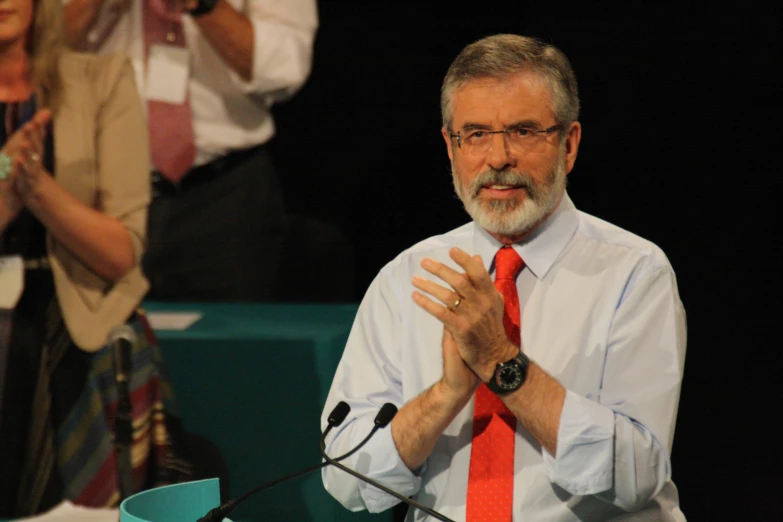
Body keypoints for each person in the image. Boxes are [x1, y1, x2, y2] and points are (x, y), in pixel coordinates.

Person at [321, 34, 687, 521]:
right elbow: (345, 477)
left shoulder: (632, 273)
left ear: (569, 144)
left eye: (523, 131)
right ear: (450, 147)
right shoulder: (406, 278)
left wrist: (500, 361)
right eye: (475, 134)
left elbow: (636, 475)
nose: (497, 158)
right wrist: (445, 396)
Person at [0, 0, 191, 516]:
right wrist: (6, 185)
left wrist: (38, 189)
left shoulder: (101, 79)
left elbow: (121, 252)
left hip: (78, 320)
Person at [62, 0, 318, 301]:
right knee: (99, 341)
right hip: (97, 197)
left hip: (222, 200)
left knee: (231, 342)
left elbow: (285, 71)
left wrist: (204, 5)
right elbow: (31, 57)